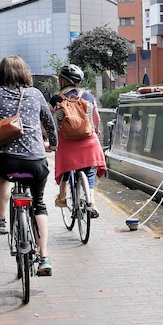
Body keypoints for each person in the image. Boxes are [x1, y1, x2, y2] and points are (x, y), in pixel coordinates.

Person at [0, 55, 58, 276]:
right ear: (25, 73)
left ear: (0, 74)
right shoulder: (36, 94)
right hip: (35, 162)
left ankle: (0, 219)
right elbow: (50, 125)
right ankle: (44, 257)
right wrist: (52, 145)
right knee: (38, 204)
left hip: (5, 160)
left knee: (2, 176)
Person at [49, 64, 107, 218]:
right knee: (89, 171)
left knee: (67, 169)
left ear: (62, 80)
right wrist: (96, 130)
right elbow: (96, 119)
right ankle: (92, 201)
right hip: (88, 141)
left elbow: (49, 122)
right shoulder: (88, 96)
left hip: (66, 142)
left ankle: (62, 197)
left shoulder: (56, 98)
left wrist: (49, 139)